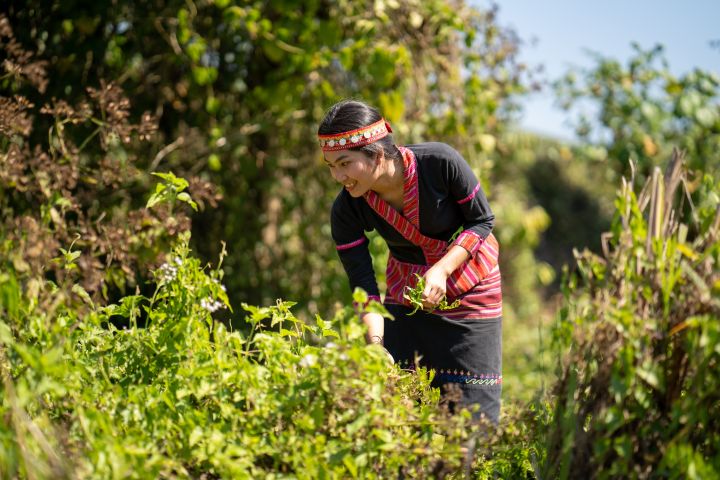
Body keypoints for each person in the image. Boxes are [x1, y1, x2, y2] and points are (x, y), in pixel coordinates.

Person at [319, 99, 502, 424]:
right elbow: (363, 285)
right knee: (402, 410)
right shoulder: (347, 208)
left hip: (471, 285)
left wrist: (442, 269)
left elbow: (482, 221)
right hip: (408, 293)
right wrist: (376, 343)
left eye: (345, 163)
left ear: (375, 154)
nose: (338, 176)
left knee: (475, 422)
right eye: (331, 166)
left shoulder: (439, 162)